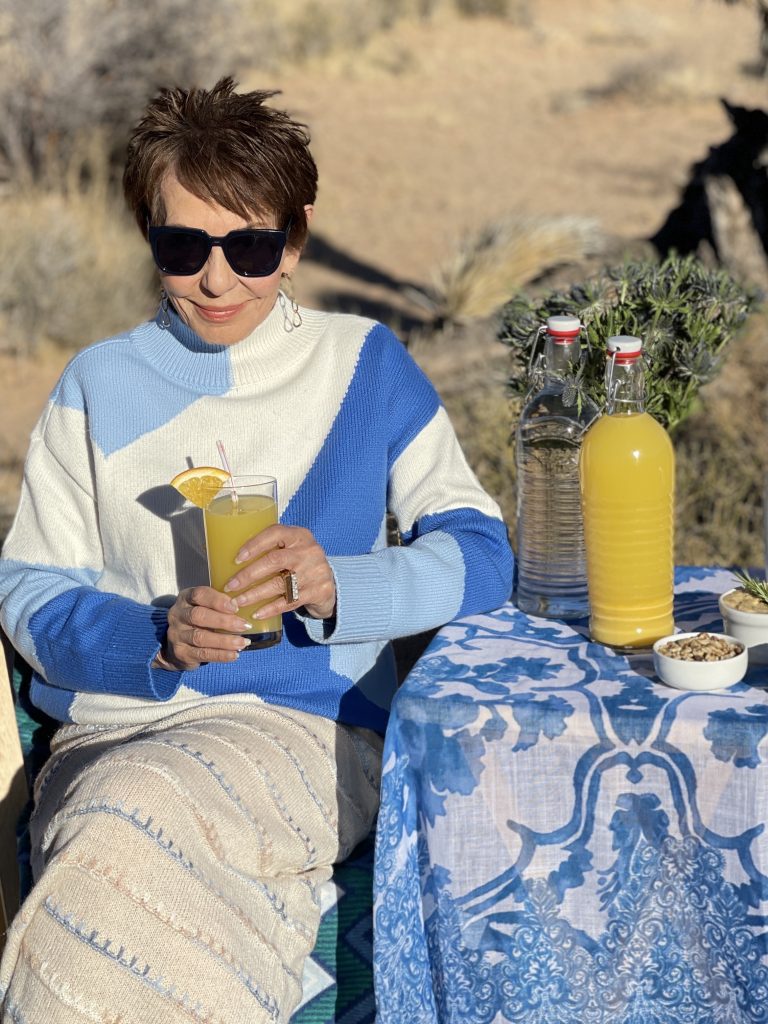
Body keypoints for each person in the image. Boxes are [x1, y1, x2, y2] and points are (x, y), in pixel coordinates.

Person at [0, 77, 513, 1023]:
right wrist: (150, 639)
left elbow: (483, 555)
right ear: (148, 236)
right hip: (117, 735)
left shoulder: (366, 367)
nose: (218, 278)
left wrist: (344, 585)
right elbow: (30, 588)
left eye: (252, 245)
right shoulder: (95, 383)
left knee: (125, 834)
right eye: (183, 246)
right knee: (125, 814)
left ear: (299, 236)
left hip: (308, 736)